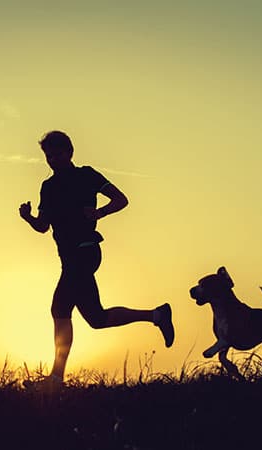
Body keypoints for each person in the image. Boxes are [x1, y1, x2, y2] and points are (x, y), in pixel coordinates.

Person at [19, 130, 174, 388]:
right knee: (96, 319)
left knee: (59, 308)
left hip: (86, 250)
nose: (52, 160)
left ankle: (56, 378)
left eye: (57, 154)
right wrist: (28, 218)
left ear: (69, 153)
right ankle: (157, 315)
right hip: (68, 257)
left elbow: (121, 199)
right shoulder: (48, 187)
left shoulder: (87, 175)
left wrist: (98, 213)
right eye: (48, 156)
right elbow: (43, 226)